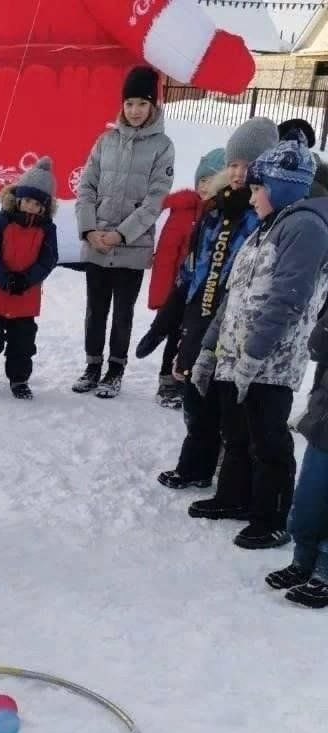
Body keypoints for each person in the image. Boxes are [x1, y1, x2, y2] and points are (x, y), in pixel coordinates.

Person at [191, 136, 328, 549]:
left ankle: (271, 517)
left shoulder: (304, 227)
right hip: (236, 356)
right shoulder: (264, 230)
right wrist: (209, 350)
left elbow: (288, 299)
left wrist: (253, 354)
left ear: (281, 187)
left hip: (270, 363)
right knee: (236, 433)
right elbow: (232, 298)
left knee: (268, 440)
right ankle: (235, 497)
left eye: (256, 188)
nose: (249, 197)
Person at [138, 119, 279, 491]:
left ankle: (233, 476)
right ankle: (196, 466)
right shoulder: (213, 211)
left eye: (246, 165)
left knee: (229, 406)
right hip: (201, 318)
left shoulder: (264, 215)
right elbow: (192, 273)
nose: (237, 172)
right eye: (232, 164)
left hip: (238, 325)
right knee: (196, 399)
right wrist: (164, 322)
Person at [74, 65, 174, 398]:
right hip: (97, 244)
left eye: (142, 104)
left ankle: (115, 369)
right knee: (95, 309)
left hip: (131, 247)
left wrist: (121, 234)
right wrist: (89, 230)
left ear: (153, 106)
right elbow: (86, 186)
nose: (134, 111)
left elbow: (154, 201)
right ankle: (92, 365)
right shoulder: (105, 141)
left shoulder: (163, 146)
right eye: (129, 103)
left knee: (122, 313)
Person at [0, 157, 58, 399]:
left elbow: (48, 260)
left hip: (25, 298)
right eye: (27, 200)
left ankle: (19, 380)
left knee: (23, 345)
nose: (30, 206)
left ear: (44, 207)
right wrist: (5, 278)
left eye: (36, 204)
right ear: (18, 199)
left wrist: (26, 280)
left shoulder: (47, 230)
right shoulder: (0, 224)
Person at [146, 147, 225, 409]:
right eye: (202, 180)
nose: (205, 187)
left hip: (203, 293)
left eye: (211, 181)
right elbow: (166, 256)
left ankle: (185, 381)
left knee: (193, 339)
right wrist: (164, 296)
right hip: (178, 290)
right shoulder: (182, 211)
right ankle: (167, 380)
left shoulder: (221, 215)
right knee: (173, 336)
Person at [267, 309, 328, 607]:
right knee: (308, 501)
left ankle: (325, 573)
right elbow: (317, 347)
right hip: (324, 420)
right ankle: (302, 561)